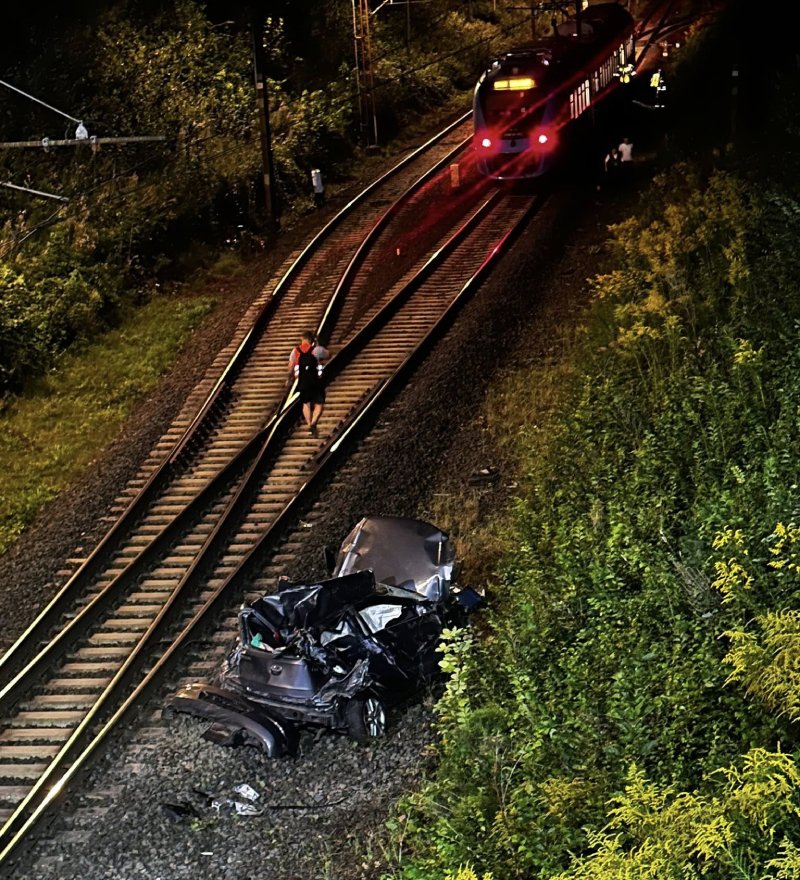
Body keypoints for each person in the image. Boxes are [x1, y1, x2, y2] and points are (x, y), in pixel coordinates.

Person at [287, 331, 329, 436]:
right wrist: (318, 344)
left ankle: (309, 423)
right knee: (319, 404)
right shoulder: (316, 350)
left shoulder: (295, 351)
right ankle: (313, 423)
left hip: (301, 381)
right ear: (312, 340)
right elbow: (328, 354)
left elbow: (290, 366)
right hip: (315, 381)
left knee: (306, 403)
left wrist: (289, 379)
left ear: (302, 339)